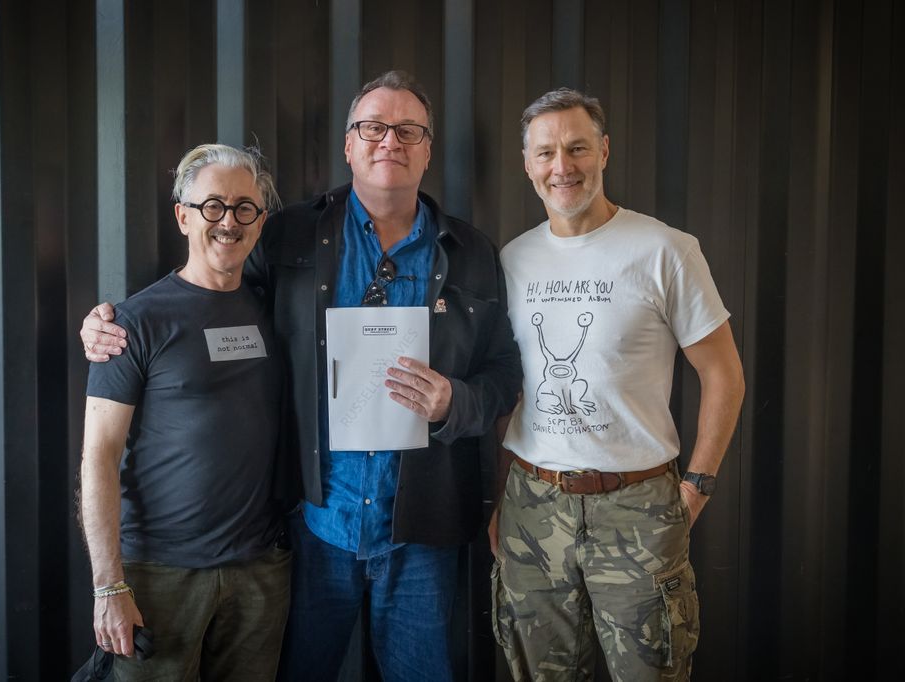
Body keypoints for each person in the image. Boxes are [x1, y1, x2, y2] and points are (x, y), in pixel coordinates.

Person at [82, 70, 522, 681]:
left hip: (422, 530)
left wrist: (457, 402)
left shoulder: (471, 251)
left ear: (427, 148)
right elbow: (213, 288)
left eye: (407, 130)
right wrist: (111, 324)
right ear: (349, 144)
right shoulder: (289, 233)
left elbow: (505, 374)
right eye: (372, 127)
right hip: (315, 526)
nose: (388, 140)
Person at [488, 87, 745, 681]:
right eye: (546, 152)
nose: (562, 166)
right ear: (526, 164)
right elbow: (509, 390)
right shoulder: (512, 260)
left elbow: (724, 373)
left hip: (639, 506)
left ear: (604, 151)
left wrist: (696, 488)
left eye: (577, 148)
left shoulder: (665, 250)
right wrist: (500, 498)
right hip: (533, 505)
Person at [80, 143, 290, 681]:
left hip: (259, 572)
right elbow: (98, 458)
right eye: (212, 206)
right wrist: (109, 585)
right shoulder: (132, 323)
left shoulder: (275, 308)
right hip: (159, 575)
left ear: (260, 221)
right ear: (182, 215)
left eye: (245, 207)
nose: (228, 221)